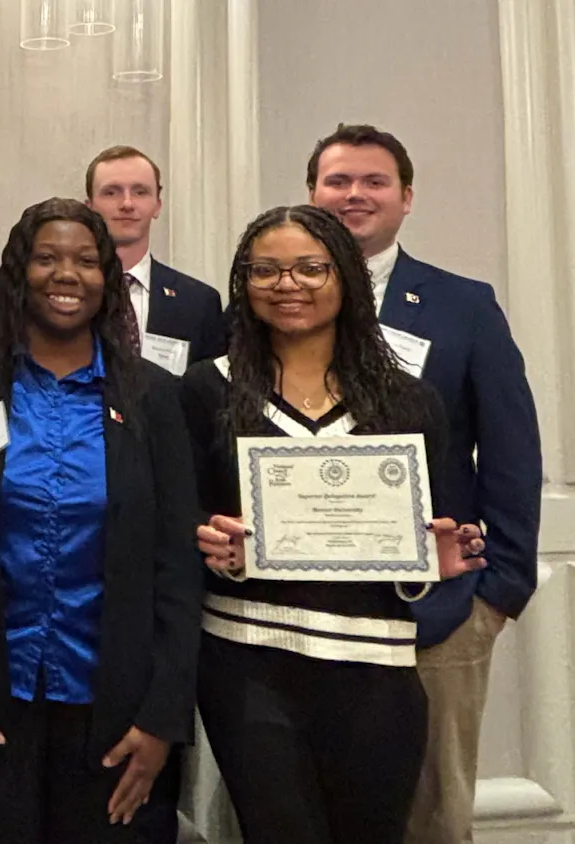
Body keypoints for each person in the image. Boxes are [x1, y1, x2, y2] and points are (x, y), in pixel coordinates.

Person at [182, 204, 489, 843]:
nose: (287, 284)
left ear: (346, 276)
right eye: (265, 270)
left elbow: (434, 528)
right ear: (244, 284)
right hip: (249, 661)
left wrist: (432, 562)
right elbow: (179, 515)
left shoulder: (408, 399)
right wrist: (205, 539)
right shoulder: (206, 390)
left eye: (309, 268)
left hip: (376, 662)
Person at [0, 198, 204, 843]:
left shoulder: (152, 395)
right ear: (19, 273)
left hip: (116, 705)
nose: (65, 274)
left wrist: (162, 722)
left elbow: (176, 569)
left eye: (84, 261)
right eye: (46, 258)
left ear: (108, 279)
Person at [305, 123, 541, 844]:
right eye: (337, 181)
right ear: (311, 195)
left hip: (437, 611)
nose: (354, 195)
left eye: (373, 181)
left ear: (406, 198)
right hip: (301, 609)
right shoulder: (265, 300)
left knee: (431, 817)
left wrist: (498, 590)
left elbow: (510, 451)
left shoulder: (464, 306)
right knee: (305, 808)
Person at [84, 145, 225, 374]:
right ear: (89, 207)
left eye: (140, 192)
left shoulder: (199, 303)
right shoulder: (68, 294)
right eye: (111, 192)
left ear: (157, 205)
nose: (127, 204)